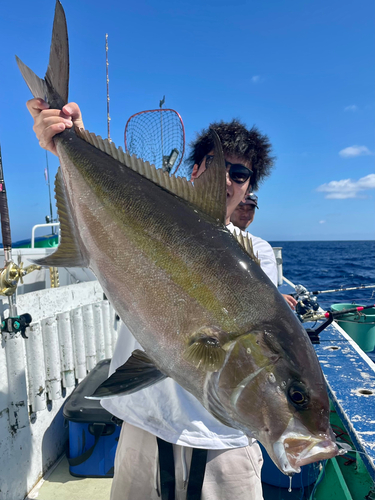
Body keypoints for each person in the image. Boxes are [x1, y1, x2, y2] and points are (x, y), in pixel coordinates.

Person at [26, 100, 277, 500]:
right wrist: (66, 141)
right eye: (215, 164)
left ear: (249, 187)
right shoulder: (143, 222)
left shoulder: (256, 256)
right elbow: (103, 225)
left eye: (241, 172)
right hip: (143, 428)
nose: (227, 178)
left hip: (223, 444)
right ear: (196, 170)